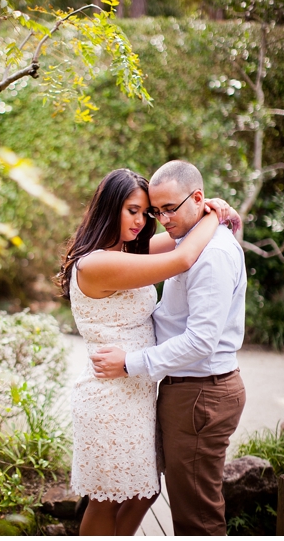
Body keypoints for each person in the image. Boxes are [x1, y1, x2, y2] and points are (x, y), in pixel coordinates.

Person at [57, 168, 237, 536]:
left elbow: (184, 241)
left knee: (144, 491)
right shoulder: (97, 262)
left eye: (147, 212)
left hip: (137, 391)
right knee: (108, 498)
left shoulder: (126, 250)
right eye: (132, 210)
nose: (142, 221)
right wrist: (215, 213)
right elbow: (183, 256)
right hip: (110, 396)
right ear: (109, 208)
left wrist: (206, 211)